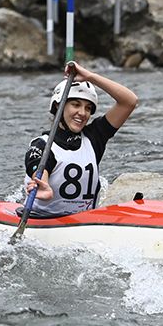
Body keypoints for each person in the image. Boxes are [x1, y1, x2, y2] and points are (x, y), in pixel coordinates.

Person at [22, 61, 137, 217]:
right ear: (58, 106)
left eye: (88, 108)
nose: (82, 113)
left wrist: (89, 76)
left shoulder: (95, 137)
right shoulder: (41, 145)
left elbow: (129, 101)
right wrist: (44, 186)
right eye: (76, 105)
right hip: (43, 219)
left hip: (83, 223)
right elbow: (40, 171)